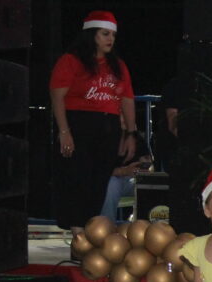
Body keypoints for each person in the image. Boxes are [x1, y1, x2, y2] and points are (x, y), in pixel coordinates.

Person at [48, 10, 137, 246]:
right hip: (79, 124)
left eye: (113, 35)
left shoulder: (117, 65)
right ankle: (79, 238)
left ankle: (94, 234)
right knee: (78, 180)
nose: (110, 39)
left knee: (99, 182)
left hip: (108, 127)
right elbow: (57, 97)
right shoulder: (71, 60)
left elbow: (127, 99)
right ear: (91, 34)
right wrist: (64, 131)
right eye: (105, 34)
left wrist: (130, 132)